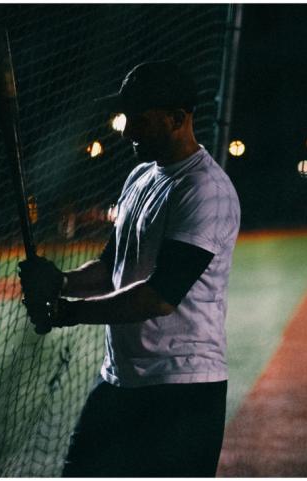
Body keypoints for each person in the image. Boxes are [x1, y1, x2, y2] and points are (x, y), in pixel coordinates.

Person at [18, 60, 241, 477]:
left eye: (140, 119)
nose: (127, 131)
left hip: (182, 391)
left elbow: (158, 298)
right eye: (126, 117)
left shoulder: (204, 190)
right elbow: (110, 268)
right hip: (121, 379)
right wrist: (60, 281)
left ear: (178, 119)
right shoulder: (141, 177)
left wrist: (67, 312)